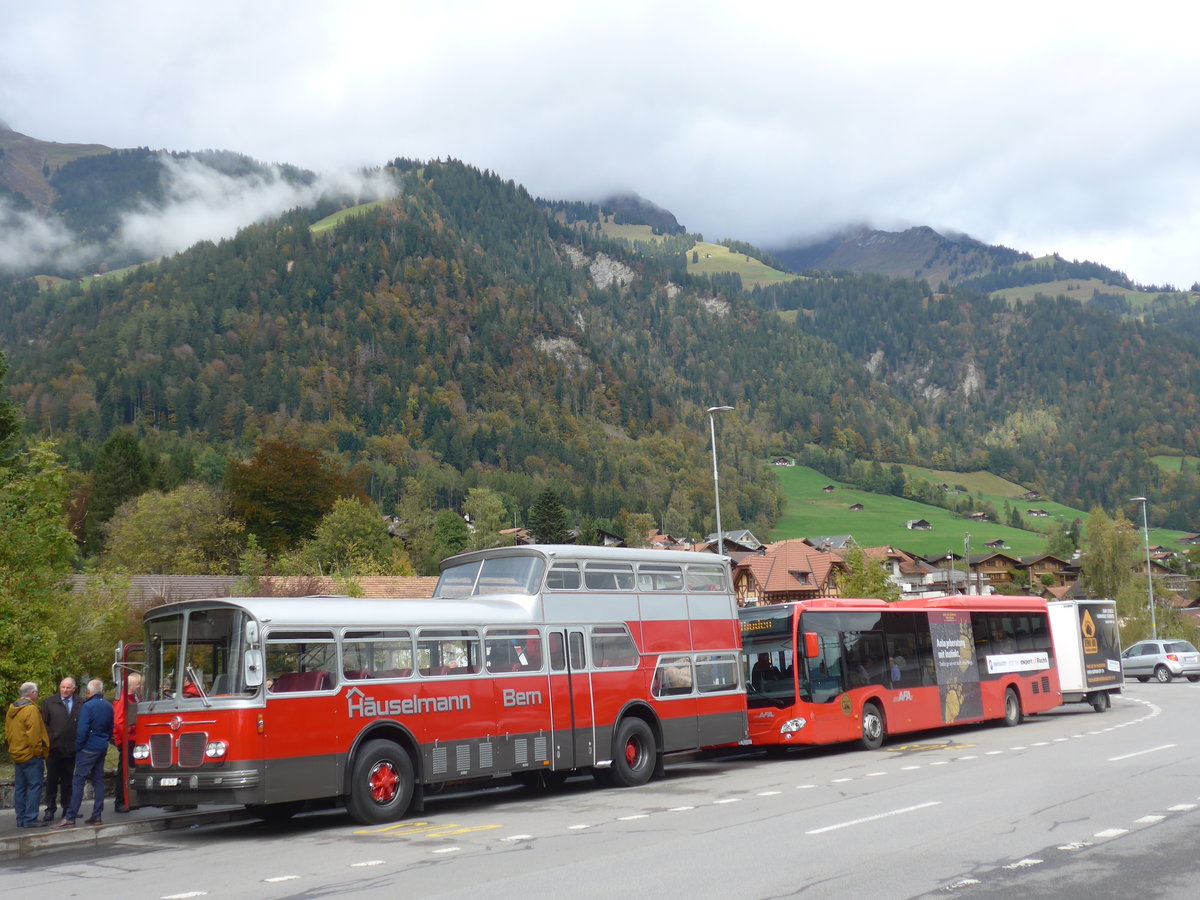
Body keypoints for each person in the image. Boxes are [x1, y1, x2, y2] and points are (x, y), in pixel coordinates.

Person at [57, 678, 114, 828]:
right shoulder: (108, 706)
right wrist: (104, 740)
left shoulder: (87, 706)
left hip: (88, 747)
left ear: (89, 692)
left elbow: (82, 729)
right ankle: (97, 815)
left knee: (78, 781)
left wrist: (78, 746)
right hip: (102, 746)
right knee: (98, 781)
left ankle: (70, 816)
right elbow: (110, 728)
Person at [6, 682, 50, 829]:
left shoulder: (12, 708)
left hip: (17, 753)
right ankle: (30, 818)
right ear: (32, 693)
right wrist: (38, 752)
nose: (37, 695)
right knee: (34, 786)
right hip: (30, 754)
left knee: (20, 787)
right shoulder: (30, 709)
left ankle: (20, 818)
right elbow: (34, 734)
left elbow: (8, 732)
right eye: (36, 692)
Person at [41, 676, 81, 823]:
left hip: (71, 750)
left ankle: (67, 809)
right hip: (53, 750)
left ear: (74, 689)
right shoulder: (49, 702)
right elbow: (43, 724)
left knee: (68, 781)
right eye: (63, 687)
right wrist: (49, 739)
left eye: (68, 688)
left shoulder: (79, 703)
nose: (65, 690)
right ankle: (50, 809)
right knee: (51, 781)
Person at [112, 672, 142, 813]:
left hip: (131, 738)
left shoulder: (133, 698)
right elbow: (118, 722)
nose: (140, 686)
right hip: (127, 740)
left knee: (129, 770)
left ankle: (129, 799)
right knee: (123, 771)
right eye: (138, 684)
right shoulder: (123, 699)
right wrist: (128, 733)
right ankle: (120, 801)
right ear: (131, 686)